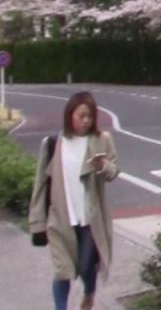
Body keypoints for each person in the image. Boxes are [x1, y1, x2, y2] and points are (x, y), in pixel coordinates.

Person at [29, 92, 119, 310]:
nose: (86, 121)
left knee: (88, 266)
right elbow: (40, 185)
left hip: (89, 219)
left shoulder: (102, 140)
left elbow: (113, 171)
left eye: (90, 116)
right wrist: (36, 222)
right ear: (70, 115)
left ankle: (89, 292)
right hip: (60, 219)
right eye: (81, 116)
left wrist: (103, 166)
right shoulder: (53, 144)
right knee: (63, 271)